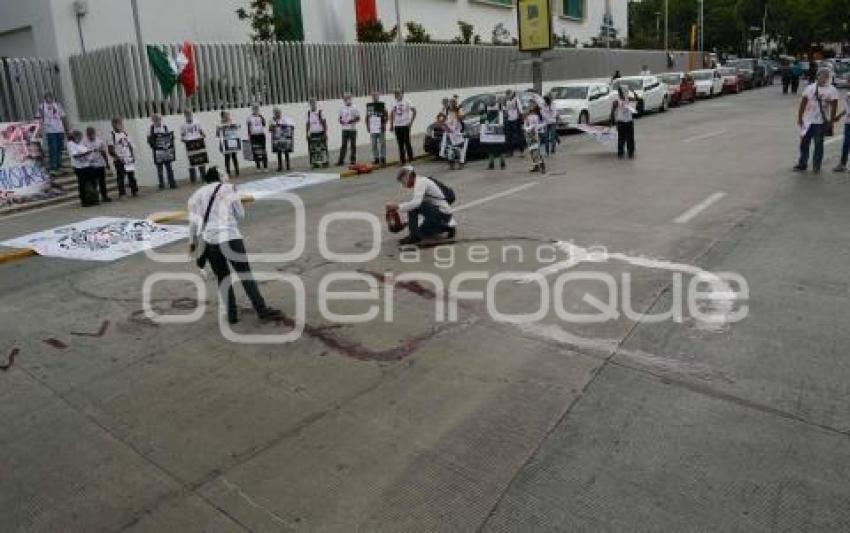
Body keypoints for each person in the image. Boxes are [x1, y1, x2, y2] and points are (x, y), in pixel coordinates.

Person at [188, 167, 282, 325]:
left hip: (210, 241)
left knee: (222, 278)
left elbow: (193, 223)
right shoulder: (229, 189)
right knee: (245, 274)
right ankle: (261, 310)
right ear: (220, 177)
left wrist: (193, 242)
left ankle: (232, 315)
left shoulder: (196, 195)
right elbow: (241, 215)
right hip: (231, 238)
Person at [386, 166, 456, 246]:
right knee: (423, 232)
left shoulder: (420, 183)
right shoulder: (421, 181)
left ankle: (414, 236)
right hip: (443, 214)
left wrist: (397, 206)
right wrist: (405, 223)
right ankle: (447, 227)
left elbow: (416, 204)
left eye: (403, 179)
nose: (403, 182)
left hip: (442, 213)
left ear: (409, 176)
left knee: (414, 207)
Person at [795, 68, 838, 173]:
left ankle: (816, 166)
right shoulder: (810, 88)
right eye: (821, 75)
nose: (823, 78)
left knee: (818, 145)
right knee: (804, 144)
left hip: (820, 122)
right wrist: (800, 118)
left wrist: (831, 122)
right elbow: (803, 103)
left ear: (828, 78)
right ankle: (802, 164)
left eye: (826, 76)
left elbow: (834, 106)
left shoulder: (832, 90)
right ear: (817, 76)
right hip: (807, 121)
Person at [36, 92, 67, 175]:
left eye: (51, 97)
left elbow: (63, 117)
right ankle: (53, 165)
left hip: (59, 129)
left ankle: (59, 164)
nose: (49, 99)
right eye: (47, 97)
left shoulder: (58, 105)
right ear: (45, 98)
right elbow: (39, 118)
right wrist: (39, 129)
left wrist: (67, 129)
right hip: (50, 130)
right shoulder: (42, 106)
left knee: (60, 147)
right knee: (53, 147)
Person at [107, 117, 139, 197]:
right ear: (114, 124)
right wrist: (118, 158)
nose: (120, 125)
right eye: (118, 123)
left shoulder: (125, 133)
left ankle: (134, 191)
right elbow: (110, 149)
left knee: (131, 175)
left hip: (128, 158)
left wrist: (132, 155)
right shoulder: (112, 135)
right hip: (119, 159)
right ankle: (122, 193)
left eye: (121, 123)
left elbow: (130, 145)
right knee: (121, 177)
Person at [67, 130, 99, 207]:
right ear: (75, 137)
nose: (80, 139)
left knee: (92, 182)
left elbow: (86, 149)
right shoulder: (71, 144)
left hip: (87, 165)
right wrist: (86, 153)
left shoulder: (80, 143)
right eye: (79, 137)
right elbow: (75, 155)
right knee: (82, 184)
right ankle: (84, 200)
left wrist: (90, 151)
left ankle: (93, 198)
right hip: (79, 167)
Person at [147, 113, 177, 189]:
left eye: (159, 120)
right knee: (159, 170)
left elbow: (171, 137)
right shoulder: (150, 129)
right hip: (157, 152)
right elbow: (149, 141)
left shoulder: (165, 127)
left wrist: (169, 145)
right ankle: (161, 185)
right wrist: (156, 146)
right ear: (153, 121)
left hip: (166, 151)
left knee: (169, 168)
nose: (157, 122)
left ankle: (172, 183)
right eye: (155, 120)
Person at [83, 126, 111, 203]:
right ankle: (95, 197)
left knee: (102, 182)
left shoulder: (99, 141)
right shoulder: (84, 143)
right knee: (93, 183)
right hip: (91, 165)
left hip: (100, 164)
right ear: (87, 134)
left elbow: (103, 152)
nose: (91, 136)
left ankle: (104, 196)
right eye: (90, 135)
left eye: (92, 134)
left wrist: (107, 163)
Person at [180, 110, 208, 184]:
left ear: (192, 114)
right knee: (191, 161)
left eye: (190, 114)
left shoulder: (197, 122)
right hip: (189, 144)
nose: (189, 116)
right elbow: (182, 135)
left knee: (201, 160)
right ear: (185, 116)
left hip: (198, 142)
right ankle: (193, 179)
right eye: (187, 115)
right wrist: (183, 139)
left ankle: (204, 177)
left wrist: (203, 135)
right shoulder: (183, 125)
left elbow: (201, 131)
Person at [390, 90, 417, 165]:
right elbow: (392, 113)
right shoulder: (393, 102)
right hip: (397, 125)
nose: (396, 95)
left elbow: (414, 111)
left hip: (405, 125)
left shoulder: (407, 101)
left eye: (398, 93)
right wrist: (391, 125)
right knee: (400, 143)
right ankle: (402, 160)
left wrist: (411, 122)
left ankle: (411, 158)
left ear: (402, 94)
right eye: (395, 94)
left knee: (407, 142)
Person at [480, 94, 506, 170]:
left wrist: (496, 121)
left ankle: (502, 164)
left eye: (491, 99)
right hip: (489, 131)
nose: (489, 101)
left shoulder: (500, 106)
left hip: (498, 131)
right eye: (488, 100)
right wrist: (485, 122)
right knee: (490, 148)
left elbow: (504, 115)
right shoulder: (485, 107)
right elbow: (482, 117)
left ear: (495, 100)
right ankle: (491, 164)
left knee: (500, 149)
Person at [611, 85, 637, 159]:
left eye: (626, 91)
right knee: (621, 138)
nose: (625, 92)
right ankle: (620, 153)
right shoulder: (616, 101)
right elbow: (613, 112)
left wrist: (633, 91)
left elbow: (636, 99)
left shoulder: (628, 98)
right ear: (620, 93)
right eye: (624, 91)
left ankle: (630, 153)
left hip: (629, 121)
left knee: (630, 138)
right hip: (621, 122)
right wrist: (613, 122)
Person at [336, 92, 361, 166]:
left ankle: (353, 160)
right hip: (344, 129)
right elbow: (339, 118)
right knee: (343, 145)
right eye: (345, 99)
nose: (347, 100)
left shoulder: (354, 107)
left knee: (353, 145)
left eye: (348, 98)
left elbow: (358, 118)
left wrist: (352, 121)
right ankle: (341, 160)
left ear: (351, 99)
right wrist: (341, 121)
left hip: (352, 129)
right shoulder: (341, 108)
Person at [306, 98, 330, 168]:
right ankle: (315, 163)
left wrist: (325, 133)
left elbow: (324, 123)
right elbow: (307, 124)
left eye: (313, 103)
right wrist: (307, 133)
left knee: (323, 148)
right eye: (311, 104)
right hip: (313, 133)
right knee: (313, 149)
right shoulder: (308, 113)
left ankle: (325, 162)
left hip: (320, 132)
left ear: (316, 104)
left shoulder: (320, 112)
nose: (312, 105)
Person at [269, 107, 295, 172]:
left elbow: (291, 127)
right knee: (279, 152)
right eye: (276, 113)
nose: (277, 114)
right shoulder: (272, 120)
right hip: (277, 139)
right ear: (274, 113)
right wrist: (272, 126)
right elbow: (270, 129)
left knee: (286, 152)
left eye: (278, 112)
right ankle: (280, 166)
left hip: (284, 138)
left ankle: (288, 165)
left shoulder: (284, 119)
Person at [366, 91, 388, 166]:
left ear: (378, 97)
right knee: (374, 144)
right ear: (372, 97)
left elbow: (386, 115)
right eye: (373, 96)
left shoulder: (382, 105)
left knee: (382, 143)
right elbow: (367, 117)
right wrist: (368, 126)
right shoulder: (370, 106)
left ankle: (383, 158)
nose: (375, 97)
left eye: (376, 96)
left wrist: (384, 124)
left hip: (380, 128)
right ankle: (376, 158)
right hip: (373, 128)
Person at [217, 110, 241, 177]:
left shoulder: (232, 122)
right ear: (222, 116)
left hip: (233, 141)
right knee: (227, 158)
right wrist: (221, 129)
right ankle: (228, 172)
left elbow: (238, 127)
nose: (227, 116)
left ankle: (237, 171)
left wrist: (235, 125)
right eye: (226, 115)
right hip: (225, 142)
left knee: (234, 156)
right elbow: (217, 135)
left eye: (228, 115)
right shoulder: (219, 124)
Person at [523, 103, 546, 173]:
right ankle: (536, 165)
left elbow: (533, 126)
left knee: (535, 151)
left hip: (533, 135)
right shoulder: (528, 117)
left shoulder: (534, 117)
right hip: (529, 136)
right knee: (531, 151)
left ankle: (542, 165)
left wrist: (528, 128)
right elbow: (526, 125)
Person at [247, 105, 268, 171]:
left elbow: (264, 124)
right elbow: (248, 127)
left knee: (263, 151)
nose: (256, 110)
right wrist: (249, 136)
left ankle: (265, 166)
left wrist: (261, 116)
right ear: (252, 110)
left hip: (261, 135)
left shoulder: (260, 117)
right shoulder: (249, 118)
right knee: (255, 151)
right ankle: (258, 166)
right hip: (254, 136)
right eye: (254, 109)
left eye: (257, 109)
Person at [504, 89, 525, 157]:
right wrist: (506, 116)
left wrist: (522, 120)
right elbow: (507, 110)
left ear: (511, 94)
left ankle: (522, 151)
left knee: (518, 136)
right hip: (509, 120)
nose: (507, 96)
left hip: (516, 120)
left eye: (508, 94)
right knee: (509, 137)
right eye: (506, 95)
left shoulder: (516, 100)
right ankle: (510, 152)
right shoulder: (507, 101)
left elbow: (520, 110)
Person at [834, 89, 850, 172]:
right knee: (846, 144)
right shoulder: (847, 95)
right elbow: (847, 109)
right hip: (848, 123)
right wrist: (839, 116)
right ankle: (842, 164)